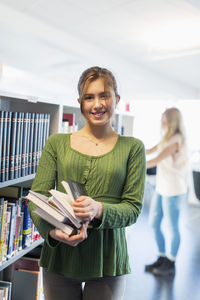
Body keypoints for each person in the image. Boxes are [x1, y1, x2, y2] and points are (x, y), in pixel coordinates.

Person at [28, 66, 146, 300]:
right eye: (89, 97)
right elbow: (36, 198)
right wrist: (52, 233)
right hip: (60, 257)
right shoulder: (57, 143)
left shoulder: (133, 147)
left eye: (104, 95)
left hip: (108, 260)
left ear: (117, 99)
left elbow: (133, 209)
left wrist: (98, 209)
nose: (97, 104)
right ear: (80, 101)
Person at [145, 107, 188, 276]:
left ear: (171, 121)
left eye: (164, 118)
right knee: (154, 224)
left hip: (174, 190)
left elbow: (156, 159)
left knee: (172, 227)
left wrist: (132, 166)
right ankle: (162, 257)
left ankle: (171, 262)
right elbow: (149, 152)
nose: (161, 121)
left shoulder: (176, 140)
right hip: (162, 188)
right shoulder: (166, 137)